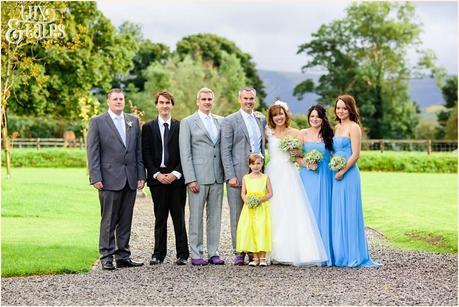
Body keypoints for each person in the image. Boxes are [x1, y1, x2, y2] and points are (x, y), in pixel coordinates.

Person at [87, 88, 146, 270]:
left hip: (130, 178)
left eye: (121, 99)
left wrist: (140, 175)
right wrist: (95, 176)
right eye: (115, 99)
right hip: (108, 179)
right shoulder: (97, 122)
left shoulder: (133, 121)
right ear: (108, 102)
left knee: (126, 219)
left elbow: (138, 151)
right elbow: (93, 151)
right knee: (109, 219)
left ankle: (123, 256)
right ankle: (106, 256)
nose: (119, 101)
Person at [265, 100, 327, 266]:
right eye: (275, 115)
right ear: (271, 117)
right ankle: (269, 251)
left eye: (281, 114)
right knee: (272, 209)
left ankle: (289, 252)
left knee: (289, 209)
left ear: (286, 115)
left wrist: (305, 160)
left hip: (289, 173)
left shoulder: (296, 133)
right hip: (272, 173)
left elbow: (299, 155)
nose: (279, 117)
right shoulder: (267, 132)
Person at [331, 94, 381, 267]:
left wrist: (343, 171)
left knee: (349, 212)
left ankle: (354, 254)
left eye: (344, 108)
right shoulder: (336, 127)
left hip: (349, 174)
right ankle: (340, 255)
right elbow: (334, 150)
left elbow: (356, 154)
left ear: (350, 109)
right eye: (338, 108)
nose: (341, 111)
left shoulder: (354, 127)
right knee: (338, 212)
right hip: (335, 173)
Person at [141, 91, 189, 266]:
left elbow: (185, 153)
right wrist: (156, 174)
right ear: (156, 105)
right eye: (161, 102)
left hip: (176, 178)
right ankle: (158, 254)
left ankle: (182, 253)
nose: (164, 106)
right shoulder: (148, 127)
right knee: (160, 218)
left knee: (179, 216)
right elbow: (145, 153)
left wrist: (176, 173)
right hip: (157, 178)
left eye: (168, 102)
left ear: (172, 105)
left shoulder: (181, 126)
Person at [179, 87, 225, 266]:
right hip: (197, 177)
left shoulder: (221, 121)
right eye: (204, 99)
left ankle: (214, 252)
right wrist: (190, 178)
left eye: (210, 99)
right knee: (196, 217)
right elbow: (185, 152)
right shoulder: (188, 122)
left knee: (215, 217)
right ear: (198, 101)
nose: (207, 102)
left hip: (217, 177)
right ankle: (196, 253)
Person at [220, 87, 266, 265]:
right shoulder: (230, 120)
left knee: (257, 213)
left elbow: (262, 147)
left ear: (255, 100)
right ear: (239, 99)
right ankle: (239, 250)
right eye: (246, 98)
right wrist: (230, 175)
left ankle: (255, 250)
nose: (248, 101)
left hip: (258, 175)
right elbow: (225, 150)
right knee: (238, 214)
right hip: (238, 175)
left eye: (251, 98)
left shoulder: (260, 120)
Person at [298, 105, 334, 266]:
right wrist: (307, 164)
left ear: (323, 118)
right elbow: (296, 157)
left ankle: (325, 251)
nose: (314, 119)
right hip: (307, 176)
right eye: (312, 116)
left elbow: (334, 154)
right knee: (308, 210)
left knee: (323, 210)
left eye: (317, 116)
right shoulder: (302, 134)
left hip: (325, 175)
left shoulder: (328, 135)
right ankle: (308, 252)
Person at [236, 153, 273, 267]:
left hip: (261, 208)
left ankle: (263, 257)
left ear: (262, 164)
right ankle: (255, 257)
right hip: (250, 209)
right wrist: (247, 202)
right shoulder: (246, 178)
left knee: (261, 230)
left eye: (258, 163)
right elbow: (243, 193)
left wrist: (260, 200)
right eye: (253, 164)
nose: (256, 166)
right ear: (249, 165)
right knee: (251, 230)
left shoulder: (265, 177)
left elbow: (270, 193)